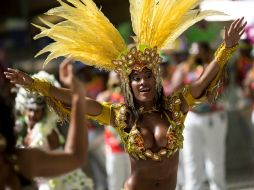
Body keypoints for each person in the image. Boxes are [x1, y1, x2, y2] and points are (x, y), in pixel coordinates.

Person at [4, 0, 247, 189]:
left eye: (147, 75)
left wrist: (226, 49)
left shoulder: (175, 107)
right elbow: (82, 102)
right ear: (128, 85)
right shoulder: (121, 116)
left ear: (156, 79)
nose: (143, 82)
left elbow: (202, 82)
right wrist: (38, 85)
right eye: (136, 78)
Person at [0, 70, 90, 190]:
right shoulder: (21, 131)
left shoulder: (49, 135)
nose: (32, 114)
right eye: (29, 109)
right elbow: (76, 157)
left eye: (37, 110)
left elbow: (72, 159)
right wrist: (78, 96)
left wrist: (78, 98)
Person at [96, 71, 130, 190]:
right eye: (114, 79)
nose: (117, 82)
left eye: (119, 78)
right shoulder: (105, 96)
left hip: (130, 148)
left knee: (130, 182)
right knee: (115, 183)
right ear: (109, 80)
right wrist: (111, 92)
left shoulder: (129, 96)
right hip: (113, 147)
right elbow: (99, 105)